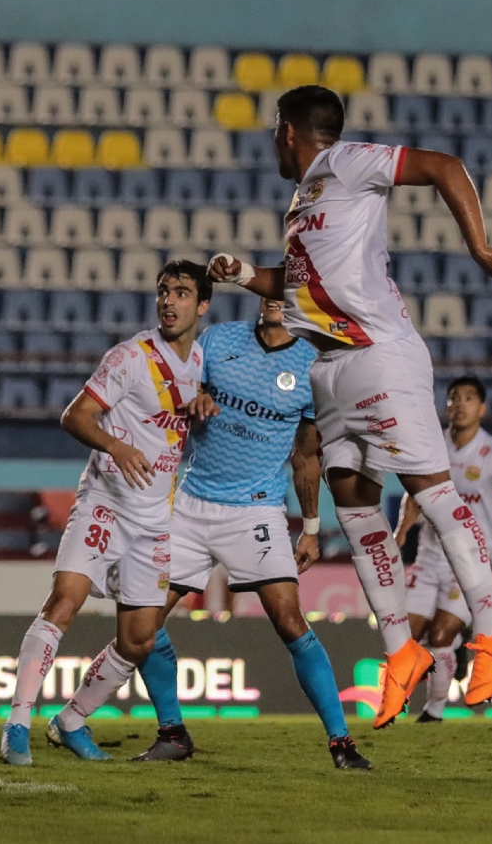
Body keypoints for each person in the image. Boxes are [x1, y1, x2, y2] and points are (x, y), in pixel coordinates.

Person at [209, 84, 492, 729]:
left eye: (277, 130)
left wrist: (478, 246)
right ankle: (401, 654)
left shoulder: (349, 162)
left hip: (380, 353)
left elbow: (443, 166)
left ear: (290, 132)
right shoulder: (303, 200)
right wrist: (245, 274)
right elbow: (298, 286)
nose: (274, 140)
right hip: (328, 365)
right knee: (355, 505)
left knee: (433, 491)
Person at [132, 297, 372, 771]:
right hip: (193, 504)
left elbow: (307, 457)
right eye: (269, 291)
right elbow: (177, 393)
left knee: (288, 618)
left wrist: (309, 528)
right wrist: (192, 399)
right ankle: (172, 732)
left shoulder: (311, 365)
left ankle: (341, 742)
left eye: (287, 293)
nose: (276, 301)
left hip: (256, 511)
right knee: (142, 623)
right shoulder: (219, 340)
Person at [0, 262, 209, 767]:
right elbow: (74, 415)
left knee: (138, 640)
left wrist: (207, 402)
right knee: (65, 601)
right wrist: (117, 446)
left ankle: (70, 721)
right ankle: (17, 723)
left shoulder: (204, 360)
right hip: (106, 504)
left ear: (202, 305)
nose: (169, 301)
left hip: (155, 518)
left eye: (182, 293)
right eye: (163, 291)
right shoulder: (131, 357)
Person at [394, 374, 492, 722]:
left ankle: (435, 710)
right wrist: (401, 533)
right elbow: (414, 495)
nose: (459, 404)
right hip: (429, 556)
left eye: (469, 398)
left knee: (439, 635)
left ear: (482, 408)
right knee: (406, 636)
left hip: (471, 561)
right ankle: (455, 654)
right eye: (454, 397)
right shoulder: (432, 446)